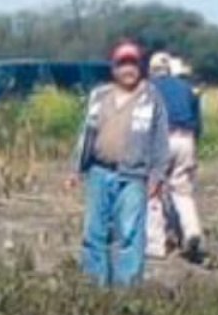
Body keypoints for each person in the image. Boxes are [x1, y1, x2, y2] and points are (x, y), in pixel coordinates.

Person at [68, 41, 171, 287]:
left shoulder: (151, 97)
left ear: (140, 67)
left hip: (134, 176)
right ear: (114, 68)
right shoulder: (99, 95)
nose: (128, 70)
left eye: (133, 64)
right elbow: (86, 135)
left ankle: (127, 292)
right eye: (123, 64)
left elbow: (160, 140)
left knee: (129, 236)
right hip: (99, 171)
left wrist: (157, 177)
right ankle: (95, 288)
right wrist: (75, 169)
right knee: (94, 234)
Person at [147, 52, 205, 264]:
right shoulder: (187, 88)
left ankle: (155, 244)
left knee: (154, 191)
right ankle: (191, 231)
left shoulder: (149, 88)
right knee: (182, 191)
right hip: (187, 139)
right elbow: (198, 122)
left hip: (163, 138)